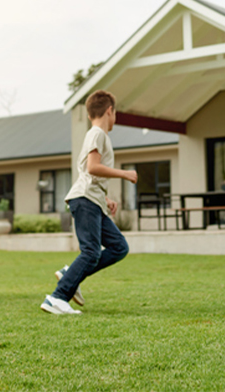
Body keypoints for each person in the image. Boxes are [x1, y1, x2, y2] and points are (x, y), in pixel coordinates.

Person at [40, 89, 138, 315]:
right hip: (84, 199)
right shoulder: (97, 134)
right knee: (91, 252)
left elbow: (89, 173)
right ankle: (58, 297)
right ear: (110, 111)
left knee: (119, 247)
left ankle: (70, 274)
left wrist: (105, 198)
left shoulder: (97, 135)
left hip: (93, 199)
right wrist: (124, 174)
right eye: (116, 113)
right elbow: (93, 167)